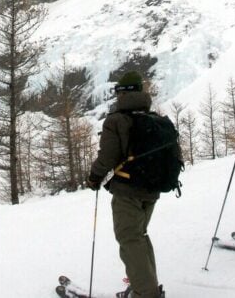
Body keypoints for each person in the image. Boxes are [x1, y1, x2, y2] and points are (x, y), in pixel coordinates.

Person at [87, 71, 164, 298]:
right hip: (152, 190)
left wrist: (94, 177)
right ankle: (147, 287)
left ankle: (146, 293)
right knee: (139, 235)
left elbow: (107, 156)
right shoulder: (154, 118)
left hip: (128, 190)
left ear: (123, 93)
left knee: (130, 239)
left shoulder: (117, 120)